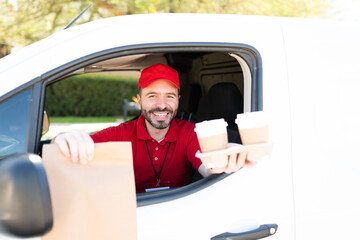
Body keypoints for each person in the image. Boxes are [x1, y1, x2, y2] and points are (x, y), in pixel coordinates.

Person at [55, 63, 251, 193]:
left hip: (181, 210)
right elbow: (77, 144)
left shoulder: (190, 131)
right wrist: (65, 138)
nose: (162, 105)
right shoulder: (122, 133)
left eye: (170, 96)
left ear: (178, 101)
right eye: (152, 96)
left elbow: (208, 167)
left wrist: (222, 160)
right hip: (140, 214)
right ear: (139, 101)